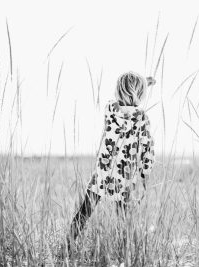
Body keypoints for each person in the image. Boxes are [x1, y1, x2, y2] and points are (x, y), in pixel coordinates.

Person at [66, 72, 156, 250]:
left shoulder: (110, 110)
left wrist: (142, 83)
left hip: (103, 173)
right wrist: (145, 174)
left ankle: (68, 245)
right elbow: (147, 149)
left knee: (85, 211)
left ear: (119, 91)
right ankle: (125, 252)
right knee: (123, 216)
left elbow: (123, 98)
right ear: (140, 93)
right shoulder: (142, 118)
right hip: (125, 176)